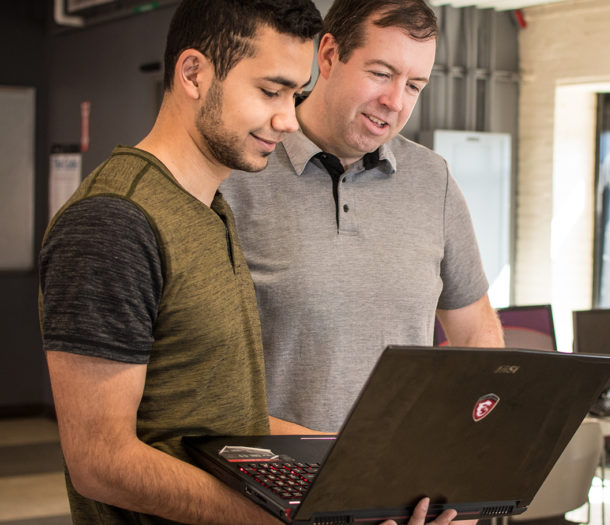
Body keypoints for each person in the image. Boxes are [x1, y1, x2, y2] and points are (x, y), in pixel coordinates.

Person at [39, 2, 456, 525]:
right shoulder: (113, 222)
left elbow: (221, 422)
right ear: (193, 74)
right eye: (269, 91)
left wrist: (370, 479)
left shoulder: (209, 211)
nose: (287, 118)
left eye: (293, 93)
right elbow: (101, 463)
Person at [220, 0, 504, 434]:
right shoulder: (238, 172)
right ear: (329, 55)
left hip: (402, 487)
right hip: (274, 482)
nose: (394, 101)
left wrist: (458, 457)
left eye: (414, 85)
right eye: (381, 73)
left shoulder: (433, 179)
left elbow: (476, 336)